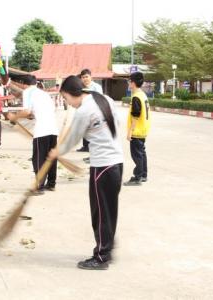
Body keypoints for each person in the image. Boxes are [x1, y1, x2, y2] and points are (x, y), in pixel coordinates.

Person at [49, 75, 123, 270]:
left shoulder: (84, 111)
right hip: (116, 162)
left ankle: (101, 257)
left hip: (103, 167)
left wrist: (56, 152)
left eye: (65, 99)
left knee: (100, 214)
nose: (67, 103)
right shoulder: (103, 98)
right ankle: (106, 248)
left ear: (70, 94)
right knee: (109, 211)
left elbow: (72, 139)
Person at [9, 75, 59, 194]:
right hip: (53, 129)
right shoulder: (44, 93)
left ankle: (39, 186)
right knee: (50, 157)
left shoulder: (28, 92)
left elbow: (27, 111)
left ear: (23, 84)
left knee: (39, 159)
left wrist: (14, 117)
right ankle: (51, 184)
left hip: (42, 131)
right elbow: (48, 110)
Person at [124, 72, 150, 186]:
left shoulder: (136, 97)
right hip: (143, 129)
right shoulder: (143, 95)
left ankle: (137, 177)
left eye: (129, 81)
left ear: (133, 83)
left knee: (137, 155)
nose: (128, 83)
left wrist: (130, 132)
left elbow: (135, 115)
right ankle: (144, 174)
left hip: (137, 131)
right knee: (142, 153)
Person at [76, 69, 103, 153]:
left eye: (86, 76)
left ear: (91, 77)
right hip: (84, 113)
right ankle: (86, 147)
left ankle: (92, 153)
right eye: (83, 77)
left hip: (94, 113)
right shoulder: (81, 87)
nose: (85, 79)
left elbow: (100, 100)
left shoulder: (96, 87)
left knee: (93, 133)